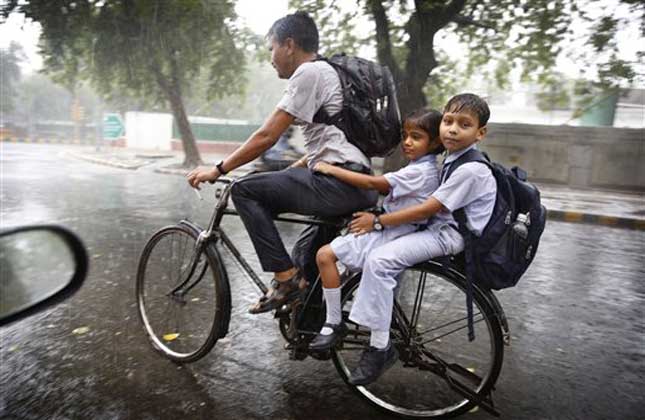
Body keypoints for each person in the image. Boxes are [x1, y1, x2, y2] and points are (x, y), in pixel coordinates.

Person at [186, 11, 377, 314]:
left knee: (245, 190)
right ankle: (313, 325)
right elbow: (329, 144)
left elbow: (266, 136)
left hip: (337, 185)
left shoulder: (309, 72)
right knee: (306, 254)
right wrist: (292, 172)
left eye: (271, 48)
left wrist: (219, 169)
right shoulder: (330, 73)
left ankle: (285, 280)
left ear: (289, 44)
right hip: (356, 183)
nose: (270, 58)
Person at [335, 93, 496, 386]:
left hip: (449, 235)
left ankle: (380, 347)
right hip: (439, 229)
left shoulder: (471, 169)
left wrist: (379, 221)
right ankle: (361, 309)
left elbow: (428, 208)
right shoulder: (454, 158)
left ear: (480, 133)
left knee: (380, 260)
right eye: (448, 121)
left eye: (464, 124)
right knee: (378, 252)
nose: (453, 129)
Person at [308, 108, 445, 348]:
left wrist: (331, 169)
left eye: (416, 137)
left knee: (324, 255)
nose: (407, 142)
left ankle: (333, 322)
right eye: (405, 135)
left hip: (393, 232)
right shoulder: (425, 168)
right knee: (342, 259)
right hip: (399, 229)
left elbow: (375, 183)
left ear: (434, 142)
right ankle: (343, 298)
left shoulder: (420, 171)